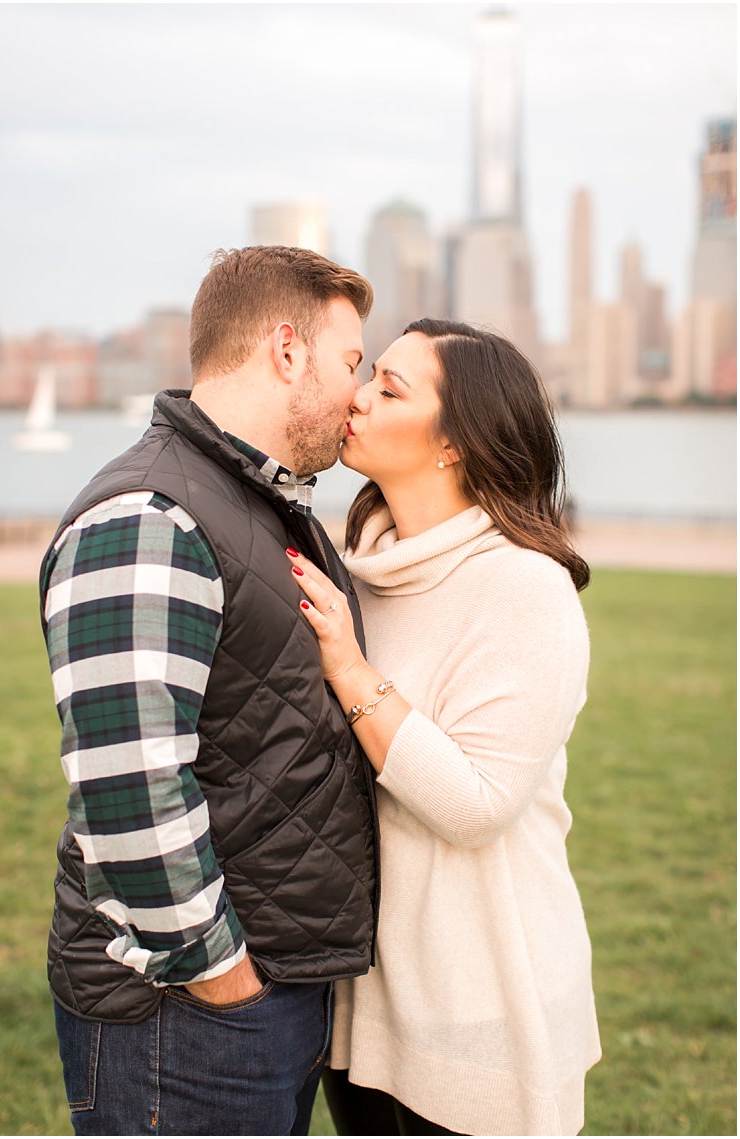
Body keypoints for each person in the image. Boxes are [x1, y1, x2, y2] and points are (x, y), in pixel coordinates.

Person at [41, 246, 381, 1135]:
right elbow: (130, 785)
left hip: (257, 1000)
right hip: (187, 1015)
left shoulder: (258, 505)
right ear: (285, 349)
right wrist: (222, 977)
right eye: (352, 362)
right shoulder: (150, 518)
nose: (360, 392)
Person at [289, 320, 599, 1135]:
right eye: (371, 374)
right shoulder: (353, 571)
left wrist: (353, 674)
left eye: (391, 389)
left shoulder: (525, 589)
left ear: (455, 443)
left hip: (483, 1015)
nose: (357, 394)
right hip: (362, 1006)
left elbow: (477, 802)